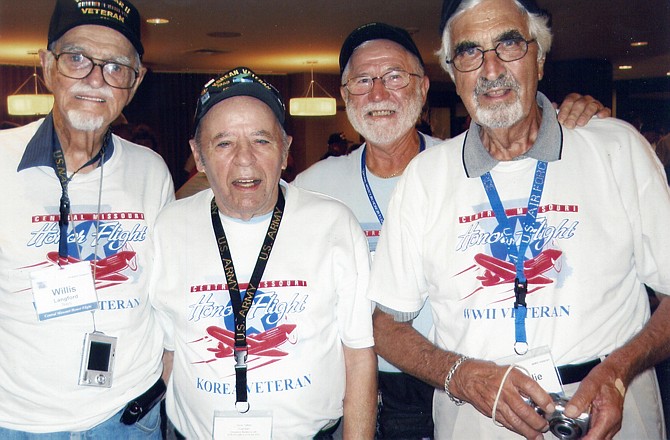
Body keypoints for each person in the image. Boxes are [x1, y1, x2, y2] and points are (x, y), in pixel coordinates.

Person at [293, 21, 610, 439]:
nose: (378, 94)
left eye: (394, 78)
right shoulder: (311, 188)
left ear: (424, 88)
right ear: (345, 94)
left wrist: (585, 121)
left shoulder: (472, 168)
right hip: (354, 388)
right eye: (363, 81)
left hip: (458, 386)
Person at [368, 0, 670, 438]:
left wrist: (619, 371)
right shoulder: (426, 176)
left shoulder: (616, 150)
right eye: (470, 52)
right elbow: (385, 325)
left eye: (509, 44)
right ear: (454, 75)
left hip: (610, 408)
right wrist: (462, 375)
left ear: (540, 59)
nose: (491, 69)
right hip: (478, 415)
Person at [150, 66, 377, 439]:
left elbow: (358, 354)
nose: (244, 159)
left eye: (261, 141)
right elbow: (169, 353)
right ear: (198, 155)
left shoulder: (332, 224)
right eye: (223, 143)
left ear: (286, 150)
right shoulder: (169, 227)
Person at [0, 0, 174, 437]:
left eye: (116, 66)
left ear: (134, 83)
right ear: (46, 65)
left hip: (128, 416)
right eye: (77, 59)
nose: (95, 80)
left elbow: (167, 290)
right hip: (19, 422)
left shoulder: (151, 170)